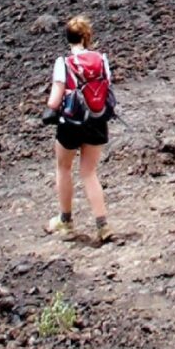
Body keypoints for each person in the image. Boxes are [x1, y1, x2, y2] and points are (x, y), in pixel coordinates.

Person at [42, 14, 113, 243]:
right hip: (96, 121)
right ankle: (102, 225)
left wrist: (50, 107)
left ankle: (66, 221)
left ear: (68, 38)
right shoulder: (101, 59)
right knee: (89, 173)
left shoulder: (63, 63)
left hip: (71, 123)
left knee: (63, 167)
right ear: (87, 36)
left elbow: (54, 101)